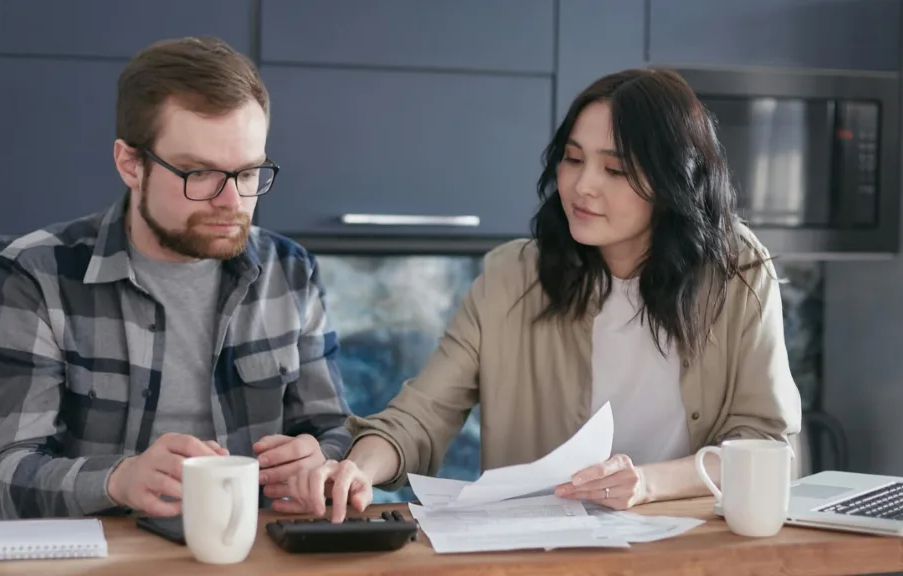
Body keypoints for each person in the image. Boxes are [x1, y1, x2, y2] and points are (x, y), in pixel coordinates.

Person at [271, 68, 803, 522]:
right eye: (573, 160)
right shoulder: (511, 277)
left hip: (686, 555)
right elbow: (420, 417)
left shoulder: (737, 272)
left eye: (615, 169)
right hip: (542, 556)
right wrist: (357, 469)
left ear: (673, 183)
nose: (582, 185)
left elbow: (766, 447)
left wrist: (647, 483)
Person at [0, 37, 352, 520]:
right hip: (101, 561)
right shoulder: (35, 275)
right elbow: (2, 479)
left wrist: (322, 459)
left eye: (249, 173)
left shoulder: (291, 270)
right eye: (199, 174)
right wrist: (118, 480)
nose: (233, 202)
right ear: (131, 164)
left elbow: (333, 431)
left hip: (253, 554)